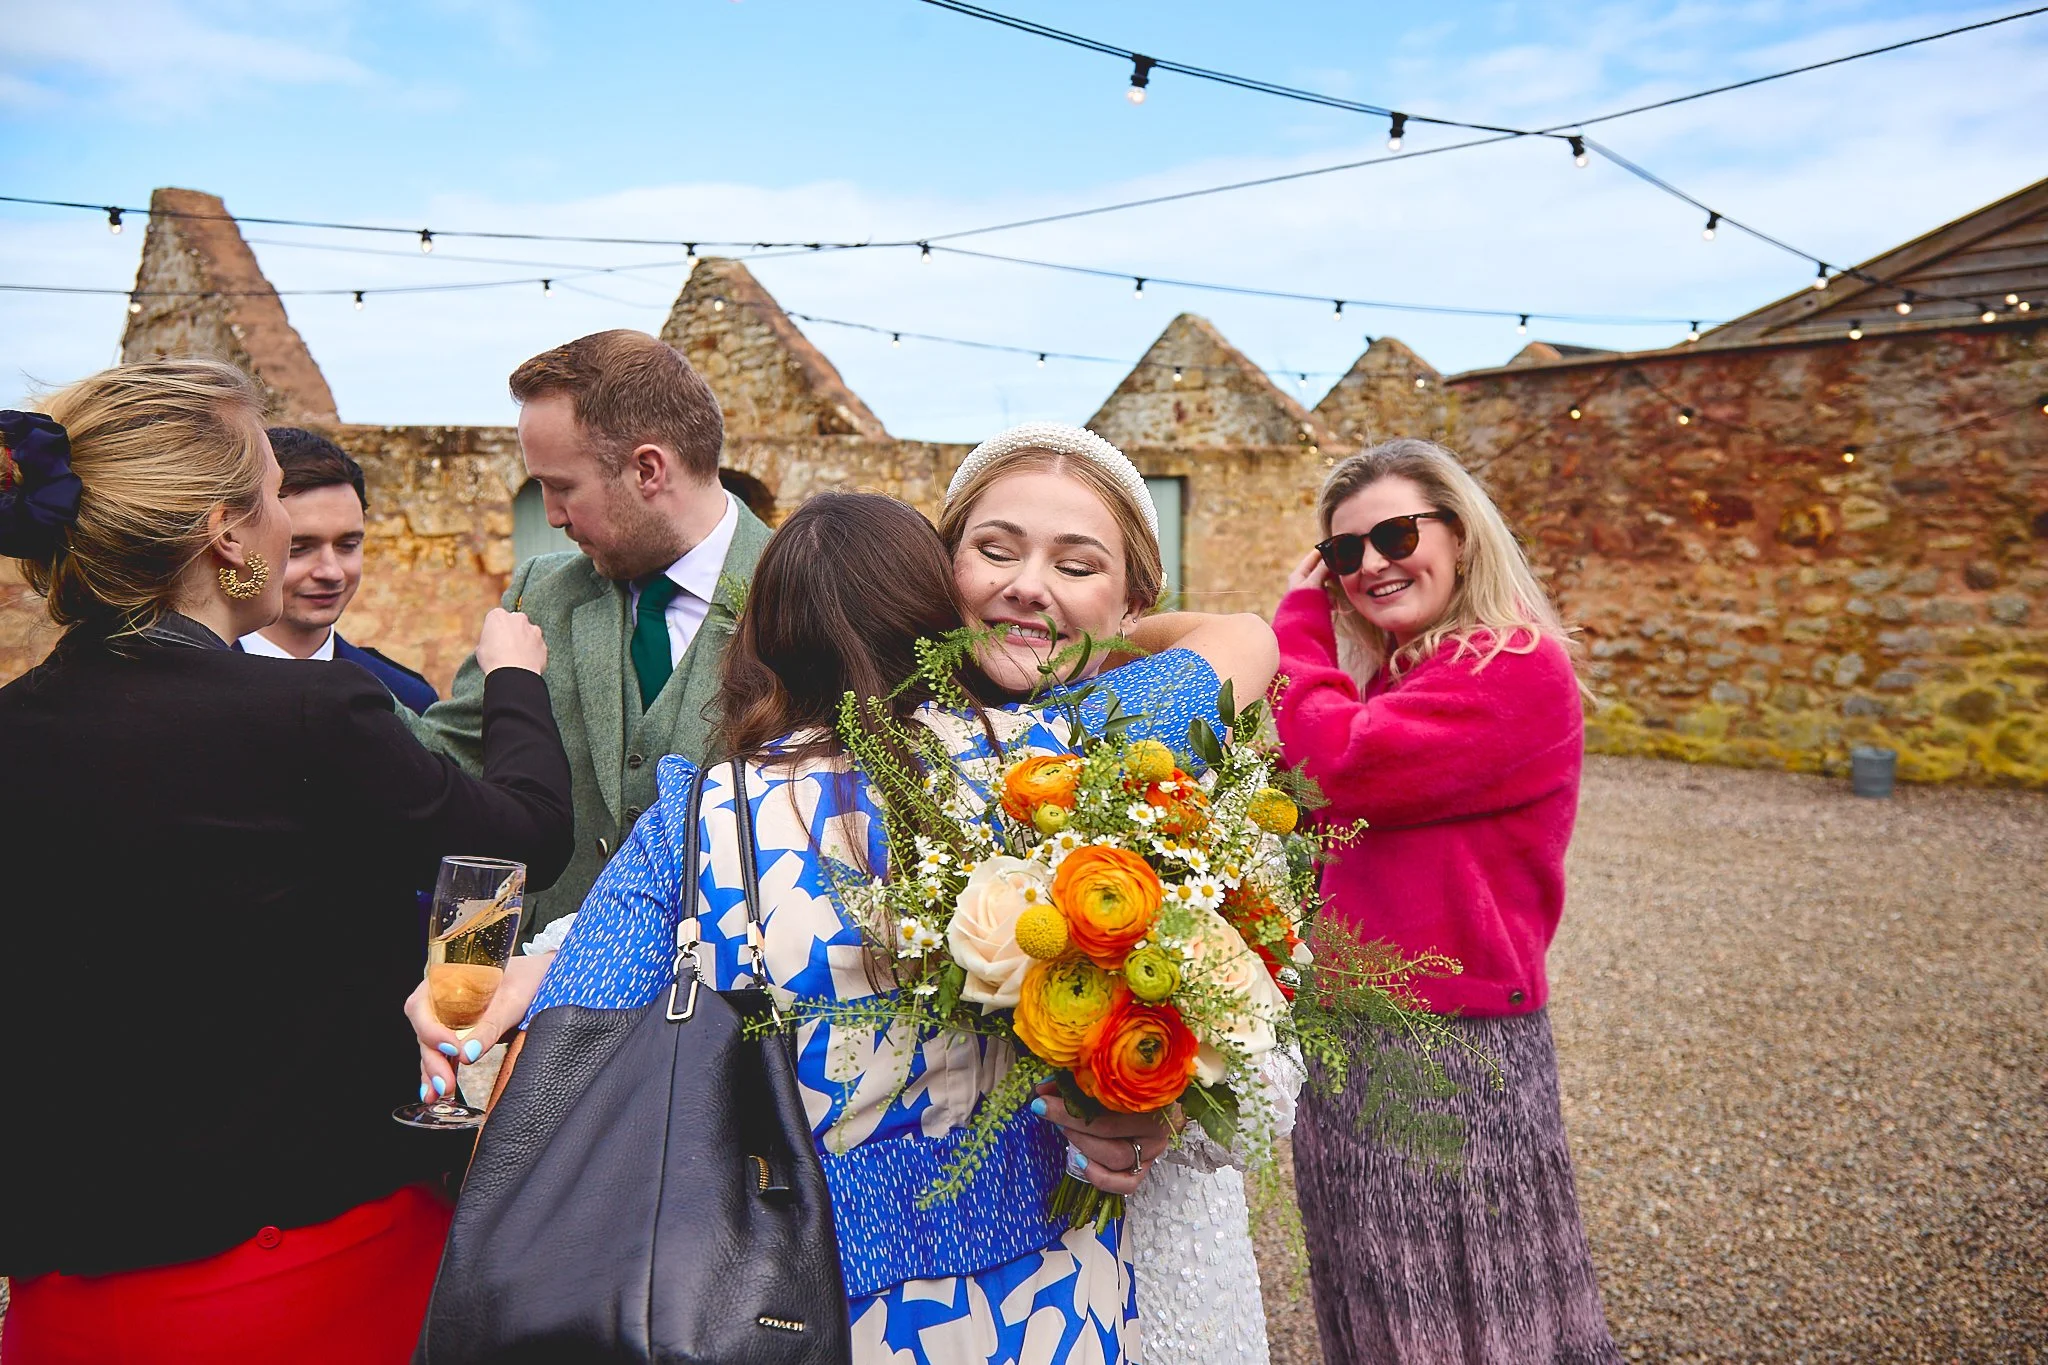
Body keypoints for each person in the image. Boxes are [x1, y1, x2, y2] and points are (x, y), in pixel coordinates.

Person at [414, 491, 1275, 1364]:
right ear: (938, 621)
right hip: (1042, 1278)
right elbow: (1247, 640)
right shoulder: (1051, 757)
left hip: (797, 1291)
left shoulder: (696, 814)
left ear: (762, 638)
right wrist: (1116, 632)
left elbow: (573, 1038)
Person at [0, 361, 574, 1365]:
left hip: (67, 1299)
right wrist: (514, 680)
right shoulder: (307, 715)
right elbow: (519, 836)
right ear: (226, 532)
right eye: (272, 496)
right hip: (304, 1276)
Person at [937, 421, 1293, 1365]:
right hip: (938, 1269)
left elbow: (1275, 1078)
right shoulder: (889, 745)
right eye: (994, 548)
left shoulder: (1197, 777)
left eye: (1077, 563)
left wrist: (1167, 1104)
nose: (1026, 584)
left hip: (1154, 1262)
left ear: (1133, 596)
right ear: (945, 569)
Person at [1271, 438, 1621, 1365]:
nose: (1370, 565)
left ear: (1459, 536)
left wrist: (1297, 618)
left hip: (1451, 1046)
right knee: (1382, 1296)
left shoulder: (1513, 664)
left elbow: (1330, 763)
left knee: (1471, 1312)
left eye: (1394, 534)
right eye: (1342, 553)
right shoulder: (1406, 674)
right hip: (1363, 1030)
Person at [408, 329, 771, 938]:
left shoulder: (804, 597)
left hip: (736, 1010)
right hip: (545, 1012)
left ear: (648, 469)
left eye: (561, 486)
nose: (550, 514)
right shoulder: (542, 593)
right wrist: (314, 685)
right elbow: (445, 763)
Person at [234, 426, 438, 714]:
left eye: (348, 545)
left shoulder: (407, 698)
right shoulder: (184, 687)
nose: (332, 572)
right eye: (299, 548)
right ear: (233, 543)